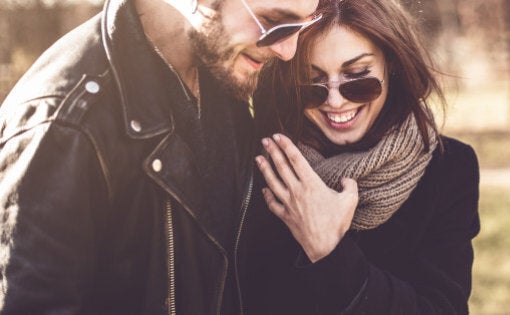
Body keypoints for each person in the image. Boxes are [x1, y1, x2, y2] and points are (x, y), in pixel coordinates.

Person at [0, 0, 320, 313]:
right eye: (277, 23)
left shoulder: (221, 73)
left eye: (303, 25)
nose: (287, 51)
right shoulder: (65, 124)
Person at [243, 0, 480, 313]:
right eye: (312, 82)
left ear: (391, 64)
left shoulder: (450, 168)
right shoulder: (263, 163)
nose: (335, 100)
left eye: (357, 75)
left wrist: (330, 251)